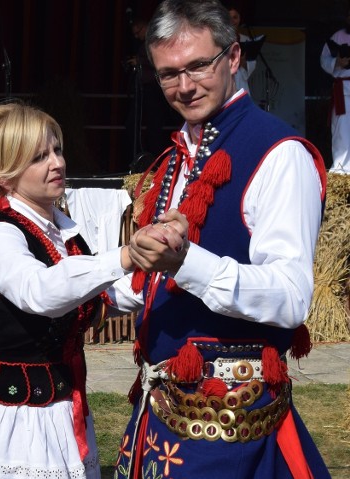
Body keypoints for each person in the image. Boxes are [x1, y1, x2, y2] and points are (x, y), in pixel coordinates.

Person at [114, 1, 330, 478]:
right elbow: (146, 288)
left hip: (232, 432)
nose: (184, 86)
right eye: (169, 74)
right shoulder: (174, 158)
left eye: (197, 66)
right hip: (158, 421)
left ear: (233, 58)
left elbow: (291, 298)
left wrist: (186, 261)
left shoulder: (280, 154)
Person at [0, 102, 146, 479]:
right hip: (15, 414)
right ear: (2, 174)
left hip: (61, 400)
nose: (57, 163)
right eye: (39, 156)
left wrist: (163, 280)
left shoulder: (59, 227)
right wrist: (124, 256)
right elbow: (40, 293)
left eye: (57, 150)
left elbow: (89, 298)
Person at [124, 16, 175, 169]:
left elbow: (160, 62)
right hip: (144, 89)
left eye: (137, 31)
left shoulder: (155, 43)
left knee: (154, 127)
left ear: (145, 28)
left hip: (153, 89)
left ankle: (158, 162)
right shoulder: (144, 45)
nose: (136, 35)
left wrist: (140, 61)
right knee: (139, 126)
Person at [320, 8, 350, 174]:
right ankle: (341, 169)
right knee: (341, 129)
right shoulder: (338, 36)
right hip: (343, 88)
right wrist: (338, 62)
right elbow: (324, 59)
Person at [228, 4, 257, 93]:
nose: (232, 21)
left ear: (239, 19)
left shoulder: (246, 39)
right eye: (229, 17)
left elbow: (252, 61)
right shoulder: (220, 38)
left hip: (241, 80)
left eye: (235, 17)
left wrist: (244, 63)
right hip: (227, 80)